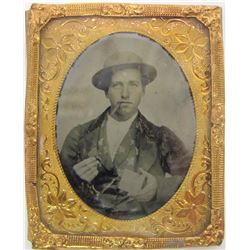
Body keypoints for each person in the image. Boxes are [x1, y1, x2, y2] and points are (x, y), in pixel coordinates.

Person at [60, 51, 191, 219]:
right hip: (90, 227)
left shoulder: (161, 137)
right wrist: (77, 180)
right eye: (117, 85)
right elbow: (56, 191)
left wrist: (158, 188)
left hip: (143, 230)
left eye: (133, 85)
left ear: (143, 90)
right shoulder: (78, 136)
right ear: (106, 92)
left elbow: (195, 181)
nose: (125, 94)